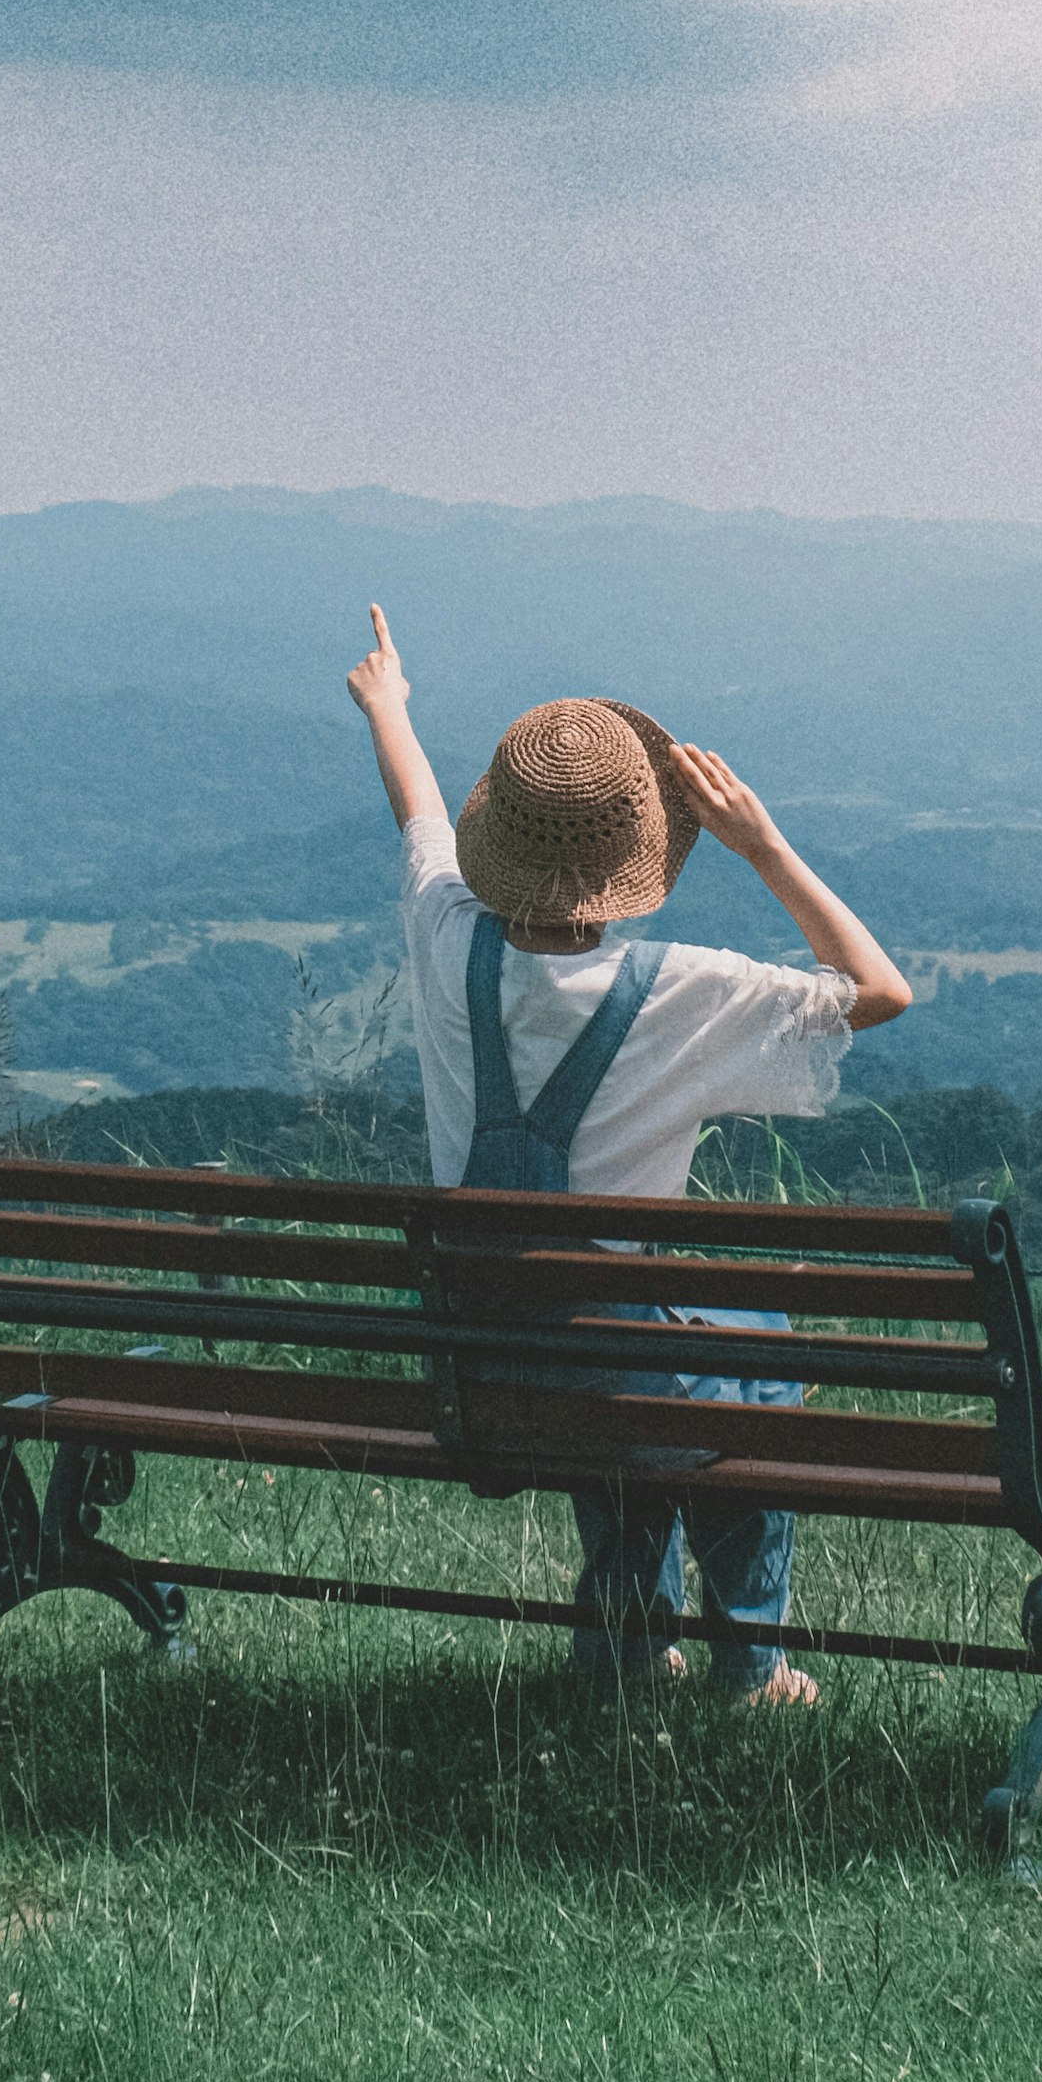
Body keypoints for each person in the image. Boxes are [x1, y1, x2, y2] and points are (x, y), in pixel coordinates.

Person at [343, 600, 911, 1707]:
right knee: (744, 1352)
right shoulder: (682, 994)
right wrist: (763, 843)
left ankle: (626, 1639)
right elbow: (880, 991)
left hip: (485, 1366)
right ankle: (752, 1664)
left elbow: (414, 812)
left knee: (614, 1345)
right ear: (635, 861)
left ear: (495, 838)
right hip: (617, 1369)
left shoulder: (443, 932)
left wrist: (389, 704)